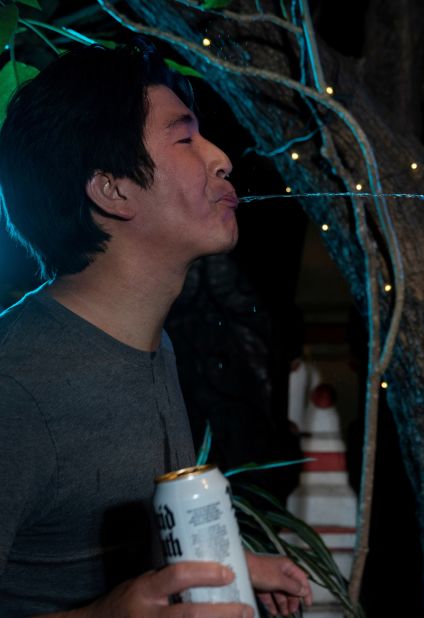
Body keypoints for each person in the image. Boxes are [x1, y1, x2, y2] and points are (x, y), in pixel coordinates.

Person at [0, 40, 311, 616]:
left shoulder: (147, 342)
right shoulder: (17, 387)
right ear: (112, 189)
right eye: (186, 138)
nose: (221, 158)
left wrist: (218, 570)